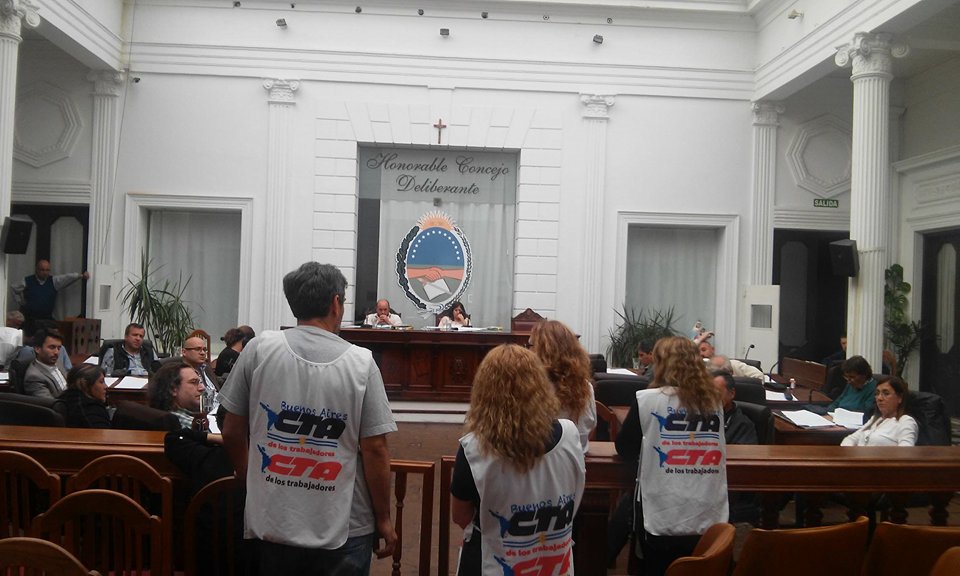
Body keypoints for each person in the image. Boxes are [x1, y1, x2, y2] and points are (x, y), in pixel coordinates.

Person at [219, 262, 397, 575]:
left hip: (274, 516)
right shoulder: (361, 363)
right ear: (336, 303)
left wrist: (249, 475)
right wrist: (383, 517)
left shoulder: (259, 349)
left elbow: (232, 430)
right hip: (345, 525)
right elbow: (375, 449)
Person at [451, 344, 585, 576]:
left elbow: (461, 516)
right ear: (540, 386)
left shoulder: (474, 449)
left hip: (493, 563)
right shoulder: (570, 435)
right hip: (553, 562)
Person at [615, 336, 727, 576]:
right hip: (705, 506)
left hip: (662, 509)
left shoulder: (648, 400)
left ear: (661, 364)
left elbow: (625, 448)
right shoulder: (714, 401)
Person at [529, 319, 597, 452]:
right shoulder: (585, 387)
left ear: (542, 351)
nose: (527, 351)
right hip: (577, 455)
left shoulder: (532, 387)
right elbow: (590, 424)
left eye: (530, 345)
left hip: (542, 459)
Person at [10, 259, 89, 334]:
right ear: (36, 269)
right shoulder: (27, 280)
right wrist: (20, 302)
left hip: (45, 319)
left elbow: (67, 278)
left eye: (47, 270)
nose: (45, 272)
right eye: (42, 270)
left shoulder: (53, 281)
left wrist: (81, 276)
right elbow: (14, 288)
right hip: (28, 319)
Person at [841, 377, 917, 446]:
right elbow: (850, 439)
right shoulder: (875, 419)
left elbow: (906, 453)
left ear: (900, 398)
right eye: (877, 394)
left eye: (886, 394)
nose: (879, 398)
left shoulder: (906, 421)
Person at [147, 361, 206, 429]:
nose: (202, 388)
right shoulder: (179, 422)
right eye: (193, 382)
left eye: (200, 382)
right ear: (173, 389)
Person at [55, 364, 112, 428]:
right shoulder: (91, 409)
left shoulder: (64, 398)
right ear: (86, 385)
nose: (105, 386)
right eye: (101, 382)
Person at [711, 370, 758, 445]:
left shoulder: (743, 425)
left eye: (716, 393)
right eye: (707, 393)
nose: (711, 398)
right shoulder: (699, 419)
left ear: (731, 393)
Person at [23, 328, 68, 399]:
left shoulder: (58, 363)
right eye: (52, 347)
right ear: (37, 349)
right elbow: (49, 403)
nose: (56, 352)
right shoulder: (34, 377)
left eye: (59, 348)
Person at [181, 335, 218, 413]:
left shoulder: (206, 367)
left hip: (219, 408)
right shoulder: (181, 372)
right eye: (198, 349)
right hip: (202, 414)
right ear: (184, 352)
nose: (203, 353)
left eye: (204, 350)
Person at [698, 339, 764, 379]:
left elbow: (759, 376)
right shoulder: (699, 370)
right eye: (697, 352)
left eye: (704, 350)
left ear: (712, 349)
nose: (701, 354)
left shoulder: (734, 364)